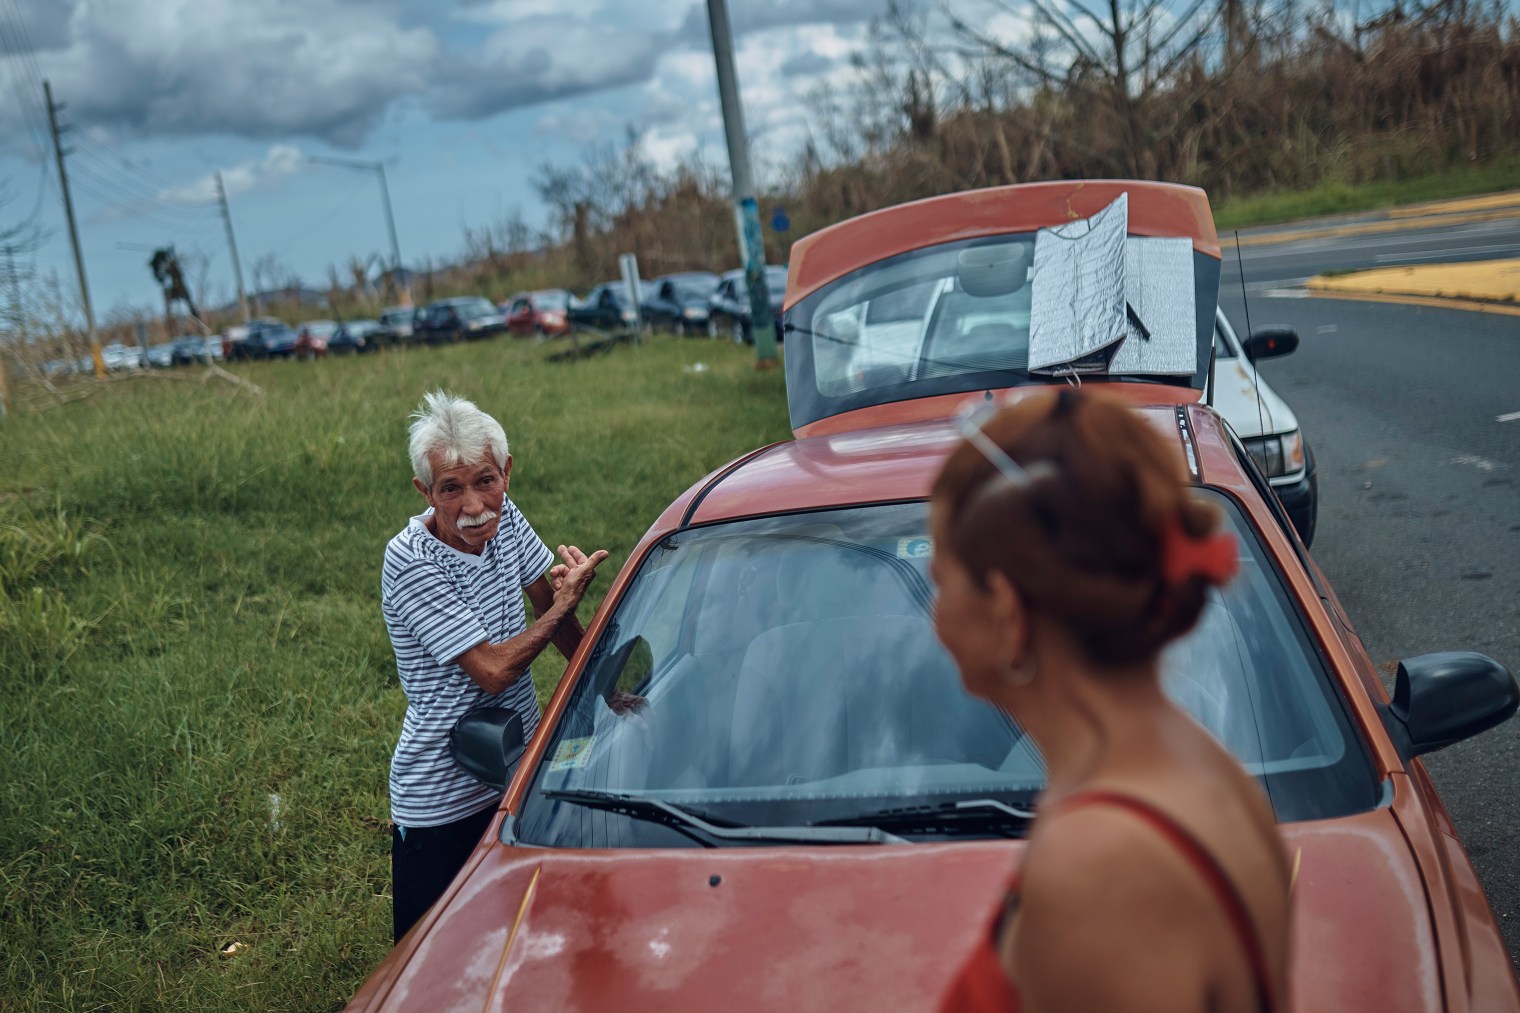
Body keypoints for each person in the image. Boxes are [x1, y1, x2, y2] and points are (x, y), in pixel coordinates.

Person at [930, 388, 1291, 1013]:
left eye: (941, 581)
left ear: (1008, 611)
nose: (934, 614)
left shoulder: (1100, 866)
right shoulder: (1204, 768)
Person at [381, 389, 608, 943]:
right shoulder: (409, 560)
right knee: (432, 954)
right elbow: (492, 669)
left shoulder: (505, 520)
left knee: (524, 938)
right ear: (425, 492)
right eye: (450, 489)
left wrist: (608, 691)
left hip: (519, 768)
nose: (474, 505)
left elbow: (544, 601)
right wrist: (562, 606)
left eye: (485, 480)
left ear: (506, 472)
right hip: (443, 792)